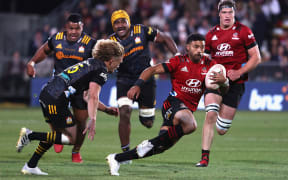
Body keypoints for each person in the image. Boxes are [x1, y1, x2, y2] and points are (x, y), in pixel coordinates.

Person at [106, 33, 229, 176]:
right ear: (187, 47)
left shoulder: (210, 65)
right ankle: (145, 145)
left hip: (186, 109)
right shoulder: (178, 61)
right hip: (172, 104)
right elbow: (151, 70)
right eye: (196, 47)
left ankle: (116, 158)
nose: (199, 50)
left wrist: (224, 81)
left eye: (202, 47)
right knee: (191, 125)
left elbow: (224, 90)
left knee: (159, 146)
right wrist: (137, 85)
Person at [16, 39, 124, 175]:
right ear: (111, 60)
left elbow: (86, 96)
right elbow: (92, 97)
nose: (118, 66)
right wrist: (93, 119)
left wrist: (106, 109)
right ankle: (30, 135)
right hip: (56, 98)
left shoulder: (91, 63)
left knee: (55, 136)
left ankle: (31, 165)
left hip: (49, 94)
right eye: (118, 62)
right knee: (72, 138)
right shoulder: (101, 71)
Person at [196, 0, 261, 167]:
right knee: (210, 113)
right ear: (219, 14)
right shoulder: (210, 35)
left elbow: (256, 57)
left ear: (234, 14)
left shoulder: (244, 31)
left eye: (230, 13)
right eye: (224, 13)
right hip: (216, 81)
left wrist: (239, 72)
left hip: (236, 82)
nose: (227, 16)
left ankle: (220, 117)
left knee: (221, 129)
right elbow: (206, 60)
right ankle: (204, 157)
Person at [26, 13, 96, 163]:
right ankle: (57, 135)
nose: (73, 32)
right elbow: (45, 51)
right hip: (59, 87)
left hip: (80, 88)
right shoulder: (56, 39)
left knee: (82, 122)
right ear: (66, 27)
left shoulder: (90, 43)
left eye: (77, 28)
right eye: (71, 28)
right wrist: (32, 62)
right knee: (56, 118)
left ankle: (76, 151)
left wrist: (92, 85)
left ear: (82, 28)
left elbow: (97, 64)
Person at [108, 9, 178, 156]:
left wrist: (177, 56)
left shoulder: (142, 30)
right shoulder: (110, 42)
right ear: (113, 26)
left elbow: (165, 38)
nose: (120, 25)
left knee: (148, 123)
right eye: (116, 23)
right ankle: (125, 153)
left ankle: (144, 115)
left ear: (129, 22)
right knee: (125, 113)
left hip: (146, 78)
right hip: (125, 80)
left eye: (123, 21)